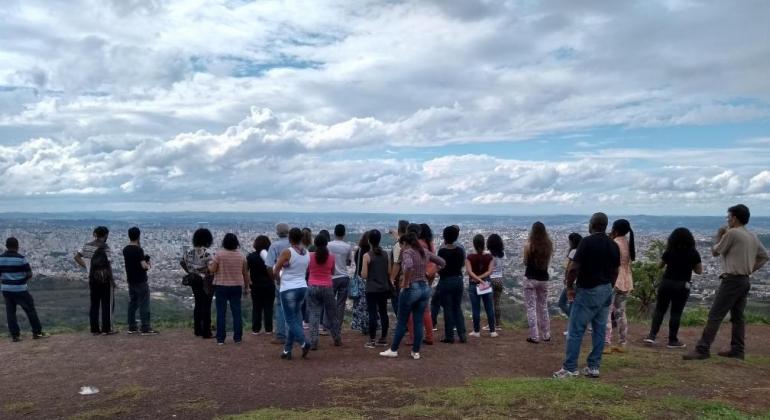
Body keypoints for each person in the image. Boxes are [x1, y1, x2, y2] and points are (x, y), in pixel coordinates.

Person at [684, 204, 768, 361]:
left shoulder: (732, 233)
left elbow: (715, 252)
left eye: (728, 217)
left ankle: (703, 349)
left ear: (734, 218)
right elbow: (764, 257)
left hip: (731, 280)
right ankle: (738, 349)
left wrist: (719, 235)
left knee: (715, 315)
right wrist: (750, 269)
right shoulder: (752, 236)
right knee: (738, 316)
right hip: (744, 280)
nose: (727, 220)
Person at [553, 212, 620, 379]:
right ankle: (593, 367)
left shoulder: (587, 242)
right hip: (606, 290)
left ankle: (570, 368)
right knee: (599, 330)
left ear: (592, 224)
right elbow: (616, 270)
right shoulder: (613, 245)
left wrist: (569, 287)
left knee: (576, 329)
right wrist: (609, 286)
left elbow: (574, 268)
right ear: (605, 226)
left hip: (588, 290)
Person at [380, 231, 445, 360]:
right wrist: (430, 273)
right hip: (424, 288)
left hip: (411, 288)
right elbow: (442, 262)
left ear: (405, 243)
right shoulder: (424, 252)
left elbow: (409, 265)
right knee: (418, 321)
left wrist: (406, 282)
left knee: (402, 321)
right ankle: (416, 351)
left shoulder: (407, 252)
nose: (401, 247)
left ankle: (394, 349)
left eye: (402, 244)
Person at [645, 228, 702, 348]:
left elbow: (659, 266)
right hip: (682, 285)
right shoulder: (693, 253)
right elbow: (699, 271)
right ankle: (672, 340)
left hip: (667, 283)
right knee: (676, 312)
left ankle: (651, 336)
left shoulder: (670, 251)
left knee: (660, 309)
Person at [273, 228, 311, 359]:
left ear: (289, 238)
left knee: (289, 320)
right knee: (294, 318)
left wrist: (278, 280)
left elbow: (276, 269)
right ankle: (287, 350)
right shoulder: (306, 253)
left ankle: (304, 342)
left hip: (288, 287)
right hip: (302, 287)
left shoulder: (287, 252)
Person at [1, 237, 48, 342]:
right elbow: (29, 273)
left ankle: (15, 336)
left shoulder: (0, 258)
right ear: (17, 247)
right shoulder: (21, 258)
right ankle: (37, 333)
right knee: (30, 310)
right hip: (20, 289)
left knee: (10, 312)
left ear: (6, 246)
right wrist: (22, 280)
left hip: (6, 289)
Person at [74, 226, 117, 336]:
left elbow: (76, 257)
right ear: (106, 235)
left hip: (92, 278)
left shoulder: (87, 246)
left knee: (94, 304)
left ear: (95, 234)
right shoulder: (106, 247)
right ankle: (106, 329)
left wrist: (87, 267)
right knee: (106, 303)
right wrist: (112, 280)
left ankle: (94, 329)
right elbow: (108, 266)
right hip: (105, 279)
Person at [208, 233, 250, 345]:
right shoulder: (241, 256)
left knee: (221, 313)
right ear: (236, 243)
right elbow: (245, 274)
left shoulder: (219, 255)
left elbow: (212, 270)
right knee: (237, 312)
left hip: (221, 286)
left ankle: (221, 339)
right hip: (236, 287)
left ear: (224, 242)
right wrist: (246, 287)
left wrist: (209, 264)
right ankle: (238, 338)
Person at [306, 234, 342, 350]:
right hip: (327, 287)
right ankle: (337, 338)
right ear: (326, 244)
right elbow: (332, 272)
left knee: (314, 314)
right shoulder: (331, 257)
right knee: (332, 314)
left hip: (312, 286)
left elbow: (307, 270)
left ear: (315, 244)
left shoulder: (310, 256)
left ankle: (313, 342)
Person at [605, 219, 635, 353]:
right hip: (626, 279)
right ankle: (623, 342)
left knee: (607, 311)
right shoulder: (627, 242)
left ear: (615, 229)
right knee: (621, 313)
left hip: (614, 279)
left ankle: (607, 343)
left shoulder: (615, 243)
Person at [123, 227, 158, 336]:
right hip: (141, 280)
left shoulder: (125, 249)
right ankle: (145, 327)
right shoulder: (138, 250)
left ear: (129, 235)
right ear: (139, 236)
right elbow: (144, 266)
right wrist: (148, 263)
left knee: (133, 303)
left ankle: (132, 326)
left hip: (131, 280)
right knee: (144, 303)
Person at [180, 228, 214, 339]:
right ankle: (206, 331)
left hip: (194, 280)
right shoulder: (207, 253)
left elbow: (182, 262)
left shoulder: (189, 251)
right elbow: (211, 267)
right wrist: (207, 272)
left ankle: (197, 330)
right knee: (206, 305)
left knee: (198, 304)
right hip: (206, 281)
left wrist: (190, 271)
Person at [522, 222, 553, 343]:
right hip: (543, 278)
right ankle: (546, 334)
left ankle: (534, 336)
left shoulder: (529, 245)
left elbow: (525, 262)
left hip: (530, 278)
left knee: (531, 307)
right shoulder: (549, 245)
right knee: (543, 306)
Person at [361, 229, 391, 348]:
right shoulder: (385, 254)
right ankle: (383, 338)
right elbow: (388, 271)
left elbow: (364, 275)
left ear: (369, 241)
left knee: (373, 313)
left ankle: (372, 340)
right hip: (384, 288)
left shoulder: (367, 256)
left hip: (371, 289)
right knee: (383, 312)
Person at [437, 225, 467, 343]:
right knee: (457, 307)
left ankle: (449, 336)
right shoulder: (460, 250)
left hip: (446, 280)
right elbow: (462, 265)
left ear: (445, 236)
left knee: (448, 308)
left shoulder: (442, 251)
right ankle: (462, 334)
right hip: (458, 279)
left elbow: (440, 266)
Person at [407, 223, 435, 344]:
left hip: (416, 278)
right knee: (425, 309)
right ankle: (429, 336)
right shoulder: (430, 245)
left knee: (411, 309)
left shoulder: (417, 245)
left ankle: (413, 337)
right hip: (427, 278)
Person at [466, 234, 497, 338]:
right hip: (486, 284)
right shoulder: (489, 257)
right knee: (489, 308)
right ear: (484, 244)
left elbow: (469, 272)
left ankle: (476, 331)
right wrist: (482, 279)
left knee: (475, 309)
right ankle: (492, 331)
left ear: (474, 244)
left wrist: (477, 278)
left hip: (473, 284)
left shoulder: (469, 257)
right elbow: (490, 271)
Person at [265, 223, 291, 344]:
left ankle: (281, 335)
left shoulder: (274, 246)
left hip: (281, 281)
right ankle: (294, 334)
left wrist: (275, 278)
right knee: (295, 308)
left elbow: (269, 265)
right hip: (296, 282)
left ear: (277, 233)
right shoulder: (295, 245)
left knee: (281, 307)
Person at [328, 224, 353, 332]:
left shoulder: (328, 245)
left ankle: (328, 325)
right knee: (341, 304)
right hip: (343, 276)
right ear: (344, 234)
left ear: (334, 233)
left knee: (329, 302)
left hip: (331, 277)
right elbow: (348, 262)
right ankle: (338, 327)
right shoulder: (347, 247)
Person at [248, 235, 274, 335]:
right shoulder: (271, 256)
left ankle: (256, 329)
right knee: (269, 307)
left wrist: (249, 282)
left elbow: (246, 271)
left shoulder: (251, 256)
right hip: (269, 284)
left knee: (256, 307)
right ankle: (268, 329)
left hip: (256, 285)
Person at [559, 233, 582, 335]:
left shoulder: (573, 252)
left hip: (572, 283)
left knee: (562, 303)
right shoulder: (582, 251)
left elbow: (570, 268)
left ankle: (575, 325)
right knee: (572, 305)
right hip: (578, 283)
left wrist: (567, 280)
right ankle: (576, 324)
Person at [350, 231, 371, 335]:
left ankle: (360, 325)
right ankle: (370, 324)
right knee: (370, 305)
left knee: (359, 305)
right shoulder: (372, 252)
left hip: (359, 279)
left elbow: (356, 263)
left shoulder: (358, 251)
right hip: (371, 280)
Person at [389, 220, 409, 316]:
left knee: (396, 301)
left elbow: (396, 263)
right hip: (407, 276)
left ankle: (402, 324)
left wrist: (391, 279)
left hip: (398, 279)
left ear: (399, 230)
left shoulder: (398, 245)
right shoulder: (410, 243)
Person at [487, 233, 506, 330]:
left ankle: (491, 325)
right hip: (499, 279)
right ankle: (497, 324)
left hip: (491, 279)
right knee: (497, 303)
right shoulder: (502, 254)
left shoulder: (488, 254)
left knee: (489, 303)